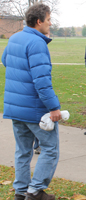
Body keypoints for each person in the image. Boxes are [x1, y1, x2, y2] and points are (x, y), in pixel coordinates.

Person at [1, 3, 61, 200]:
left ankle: (20, 191)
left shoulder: (15, 38)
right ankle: (35, 191)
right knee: (50, 148)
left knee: (23, 151)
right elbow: (42, 82)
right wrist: (53, 107)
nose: (50, 23)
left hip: (14, 107)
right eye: (49, 19)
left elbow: (5, 60)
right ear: (39, 21)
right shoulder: (37, 43)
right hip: (34, 109)